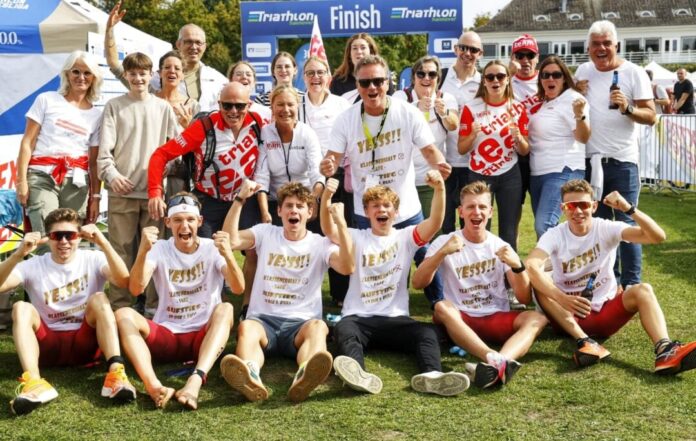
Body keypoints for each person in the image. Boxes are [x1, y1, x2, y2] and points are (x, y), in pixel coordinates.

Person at [526, 179, 696, 375]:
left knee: (643, 289)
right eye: (571, 206)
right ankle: (586, 342)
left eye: (583, 205)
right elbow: (531, 264)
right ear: (563, 208)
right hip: (566, 317)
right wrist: (562, 298)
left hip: (603, 313)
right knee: (539, 285)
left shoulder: (605, 227)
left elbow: (657, 237)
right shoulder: (555, 234)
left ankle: (665, 350)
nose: (578, 211)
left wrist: (628, 208)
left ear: (594, 206)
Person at [320, 54, 451, 305]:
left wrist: (440, 163)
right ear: (357, 85)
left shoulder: (406, 112)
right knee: (368, 261)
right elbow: (332, 158)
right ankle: (369, 308)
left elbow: (428, 148)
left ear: (388, 82)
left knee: (424, 257)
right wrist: (327, 165)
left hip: (406, 207)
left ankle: (439, 307)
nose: (372, 88)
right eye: (365, 82)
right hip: (366, 208)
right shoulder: (346, 119)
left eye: (378, 81)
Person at [329, 171, 470, 396]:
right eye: (375, 206)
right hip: (359, 318)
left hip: (396, 319)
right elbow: (330, 231)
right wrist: (330, 208)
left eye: (386, 206)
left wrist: (439, 189)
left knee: (427, 332)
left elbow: (434, 223)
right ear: (366, 212)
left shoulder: (405, 237)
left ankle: (432, 376)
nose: (381, 210)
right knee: (344, 329)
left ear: (396, 212)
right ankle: (357, 375)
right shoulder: (357, 236)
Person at [219, 180, 354, 402]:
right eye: (289, 205)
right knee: (246, 328)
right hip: (263, 321)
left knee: (319, 327)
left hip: (301, 325)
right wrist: (240, 198)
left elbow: (348, 267)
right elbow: (231, 240)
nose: (294, 210)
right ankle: (251, 376)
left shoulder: (319, 244)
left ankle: (304, 376)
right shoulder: (265, 233)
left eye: (300, 206)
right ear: (279, 210)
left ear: (310, 212)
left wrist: (340, 224)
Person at [147, 82, 265, 321]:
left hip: (244, 199)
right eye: (227, 105)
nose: (233, 111)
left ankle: (247, 309)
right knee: (207, 252)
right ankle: (211, 310)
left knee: (254, 252)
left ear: (249, 105)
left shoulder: (259, 124)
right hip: (209, 199)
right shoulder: (204, 127)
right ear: (218, 104)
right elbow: (161, 154)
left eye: (239, 106)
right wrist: (154, 192)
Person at [0, 208, 136, 415]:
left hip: (86, 343)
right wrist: (19, 254)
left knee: (100, 298)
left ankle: (116, 373)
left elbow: (123, 280)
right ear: (48, 238)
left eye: (70, 235)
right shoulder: (34, 264)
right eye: (57, 236)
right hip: (47, 345)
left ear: (79, 236)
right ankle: (34, 382)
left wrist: (104, 243)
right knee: (21, 307)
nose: (64, 242)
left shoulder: (93, 257)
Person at [412, 181, 547, 388]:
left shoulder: (499, 245)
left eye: (482, 207)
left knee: (537, 317)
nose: (477, 212)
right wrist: (441, 254)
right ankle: (493, 359)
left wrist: (518, 266)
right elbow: (418, 282)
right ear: (461, 212)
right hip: (460, 319)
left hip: (494, 316)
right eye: (471, 207)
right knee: (441, 307)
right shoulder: (446, 241)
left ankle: (500, 361)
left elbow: (524, 299)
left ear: (490, 212)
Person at [116, 193, 243, 409]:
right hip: (168, 334)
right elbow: (136, 288)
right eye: (177, 220)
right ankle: (154, 385)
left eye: (190, 220)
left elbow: (239, 288)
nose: (185, 226)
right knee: (123, 314)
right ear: (168, 223)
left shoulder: (211, 248)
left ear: (199, 222)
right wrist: (143, 251)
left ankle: (195, 381)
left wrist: (229, 255)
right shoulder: (160, 248)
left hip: (203, 337)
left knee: (226, 308)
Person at [574, 20, 656, 290]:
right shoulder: (583, 71)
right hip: (589, 160)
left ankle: (632, 285)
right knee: (593, 225)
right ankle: (601, 283)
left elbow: (651, 116)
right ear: (588, 48)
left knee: (625, 222)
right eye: (596, 44)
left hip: (622, 161)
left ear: (616, 45)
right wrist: (576, 91)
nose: (601, 48)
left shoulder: (633, 73)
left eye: (606, 43)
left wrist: (628, 108)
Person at [97, 52, 178, 311]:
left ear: (151, 74)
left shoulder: (163, 108)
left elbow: (176, 149)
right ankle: (120, 306)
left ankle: (154, 307)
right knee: (121, 253)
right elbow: (104, 154)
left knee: (154, 253)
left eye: (142, 73)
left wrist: (167, 166)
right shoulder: (114, 106)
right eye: (132, 73)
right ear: (127, 75)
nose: (138, 78)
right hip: (122, 191)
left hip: (154, 195)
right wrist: (112, 175)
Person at [16, 51, 103, 233]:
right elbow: (27, 143)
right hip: (42, 177)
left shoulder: (97, 116)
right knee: (47, 236)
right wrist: (21, 181)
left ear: (94, 78)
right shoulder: (46, 100)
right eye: (76, 71)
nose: (81, 77)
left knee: (70, 238)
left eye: (87, 73)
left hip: (77, 182)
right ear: (67, 74)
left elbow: (94, 162)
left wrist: (95, 197)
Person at [458, 60, 529, 251]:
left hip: (509, 174)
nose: (495, 80)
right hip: (479, 174)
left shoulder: (518, 108)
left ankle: (510, 277)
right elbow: (461, 149)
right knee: (477, 228)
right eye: (490, 77)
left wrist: (520, 138)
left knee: (509, 231)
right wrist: (472, 134)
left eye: (500, 76)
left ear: (507, 80)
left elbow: (524, 150)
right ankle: (478, 273)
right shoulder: (470, 108)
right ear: (484, 81)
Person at [298, 55, 352, 305]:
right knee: (304, 237)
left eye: (320, 72)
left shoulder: (341, 105)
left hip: (334, 178)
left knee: (334, 235)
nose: (315, 78)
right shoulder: (296, 104)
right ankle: (303, 292)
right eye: (310, 73)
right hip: (302, 179)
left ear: (329, 76)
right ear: (303, 77)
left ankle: (340, 295)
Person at [105, 1, 227, 111]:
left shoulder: (217, 79)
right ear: (178, 44)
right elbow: (115, 65)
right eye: (188, 42)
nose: (194, 47)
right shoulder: (155, 80)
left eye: (198, 43)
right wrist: (109, 30)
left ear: (204, 46)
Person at [528, 56, 590, 238]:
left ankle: (555, 265)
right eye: (545, 75)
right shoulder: (545, 103)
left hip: (563, 169)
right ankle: (555, 265)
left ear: (564, 78)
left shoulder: (573, 99)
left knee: (544, 226)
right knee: (546, 229)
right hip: (538, 173)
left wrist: (580, 116)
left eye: (556, 74)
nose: (550, 79)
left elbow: (583, 137)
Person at [393, 55, 459, 219]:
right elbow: (393, 122)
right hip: (402, 180)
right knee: (405, 231)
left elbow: (453, 125)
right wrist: (416, 107)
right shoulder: (401, 97)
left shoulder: (446, 99)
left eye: (432, 74)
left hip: (432, 178)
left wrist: (444, 113)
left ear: (438, 78)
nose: (426, 78)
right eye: (421, 74)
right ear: (414, 77)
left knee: (434, 229)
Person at [256, 86, 325, 227]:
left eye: (290, 104)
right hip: (276, 202)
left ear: (298, 106)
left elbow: (317, 174)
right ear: (272, 108)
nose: (285, 110)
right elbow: (261, 176)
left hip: (305, 200)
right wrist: (264, 212)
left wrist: (312, 202)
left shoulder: (307, 133)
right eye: (280, 104)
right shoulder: (265, 133)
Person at [440, 31, 483, 234]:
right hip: (444, 160)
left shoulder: (485, 82)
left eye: (473, 49)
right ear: (455, 49)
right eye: (463, 48)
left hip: (473, 163)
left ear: (480, 54)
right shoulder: (439, 77)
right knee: (444, 223)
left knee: (474, 223)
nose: (467, 53)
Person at [154, 51, 201, 199]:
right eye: (167, 67)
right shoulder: (149, 101)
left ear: (182, 74)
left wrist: (188, 128)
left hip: (179, 173)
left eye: (177, 68)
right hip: (150, 168)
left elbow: (199, 145)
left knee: (175, 214)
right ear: (159, 72)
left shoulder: (192, 105)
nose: (172, 71)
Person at [330, 33, 393, 103]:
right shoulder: (339, 80)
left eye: (363, 48)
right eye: (354, 48)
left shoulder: (383, 76)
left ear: (371, 51)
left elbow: (390, 102)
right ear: (349, 53)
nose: (359, 52)